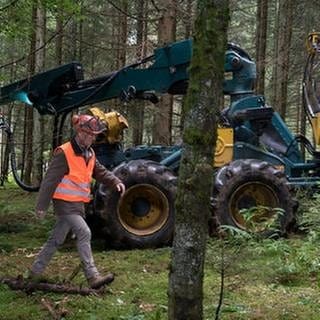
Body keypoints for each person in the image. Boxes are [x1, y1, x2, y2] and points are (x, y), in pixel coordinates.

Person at [29, 114, 125, 289]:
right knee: (84, 232)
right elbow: (50, 180)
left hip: (77, 204)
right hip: (65, 204)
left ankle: (34, 272)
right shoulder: (64, 152)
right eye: (89, 134)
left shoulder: (90, 153)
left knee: (56, 239)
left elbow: (100, 172)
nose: (92, 137)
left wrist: (115, 181)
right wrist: (41, 206)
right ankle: (92, 276)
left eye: (94, 135)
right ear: (80, 132)